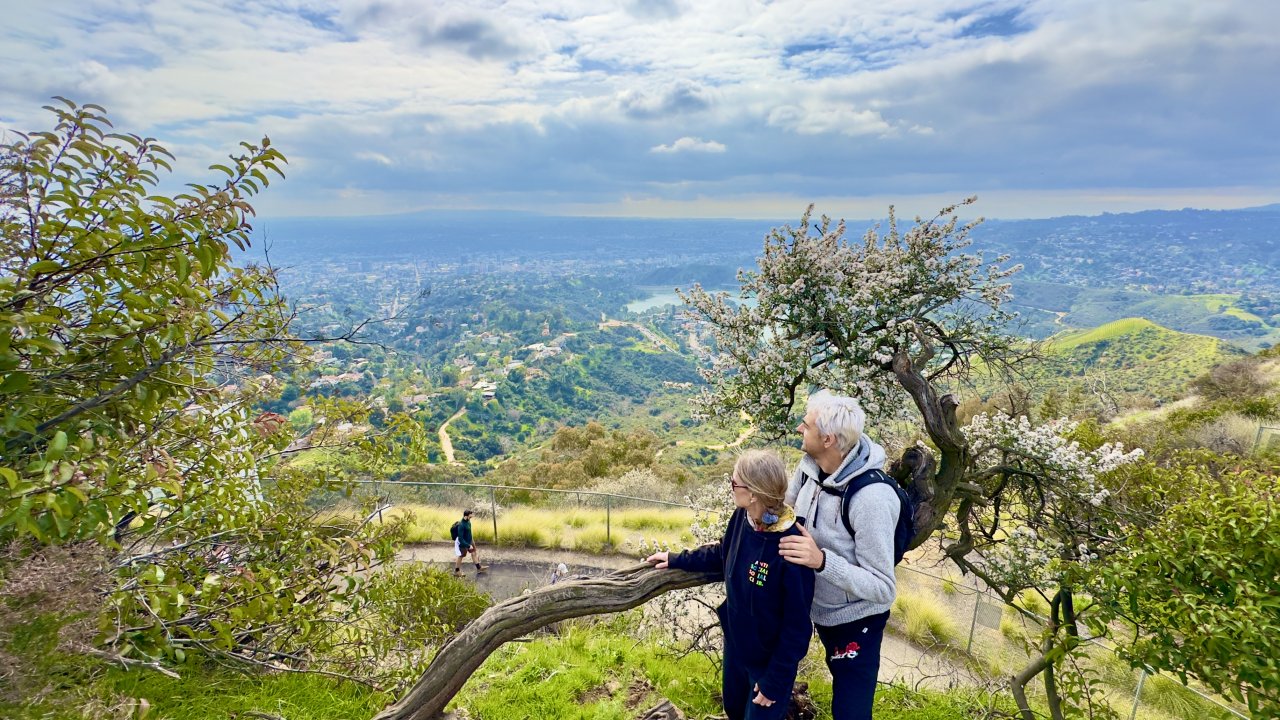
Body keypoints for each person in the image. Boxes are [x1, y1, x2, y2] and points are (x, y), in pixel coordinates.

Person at [646, 449, 814, 720]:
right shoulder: (742, 518)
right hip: (737, 646)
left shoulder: (790, 548)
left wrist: (774, 679)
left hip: (768, 663)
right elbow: (724, 552)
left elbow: (797, 628)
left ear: (754, 493)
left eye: (735, 483)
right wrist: (676, 559)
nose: (731, 488)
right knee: (734, 710)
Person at [778, 390, 899, 720]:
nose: (799, 430)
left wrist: (821, 561)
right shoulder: (809, 466)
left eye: (806, 425)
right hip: (812, 605)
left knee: (850, 710)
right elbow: (785, 511)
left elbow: (883, 588)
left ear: (828, 438)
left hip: (856, 619)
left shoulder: (871, 499)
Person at [453, 509, 487, 576]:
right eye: (471, 515)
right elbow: (460, 539)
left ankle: (479, 568)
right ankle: (457, 572)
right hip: (463, 543)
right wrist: (468, 546)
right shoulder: (461, 525)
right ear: (466, 516)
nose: (472, 516)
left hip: (469, 541)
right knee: (461, 556)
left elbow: (469, 533)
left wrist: (472, 542)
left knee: (474, 553)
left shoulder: (468, 521)